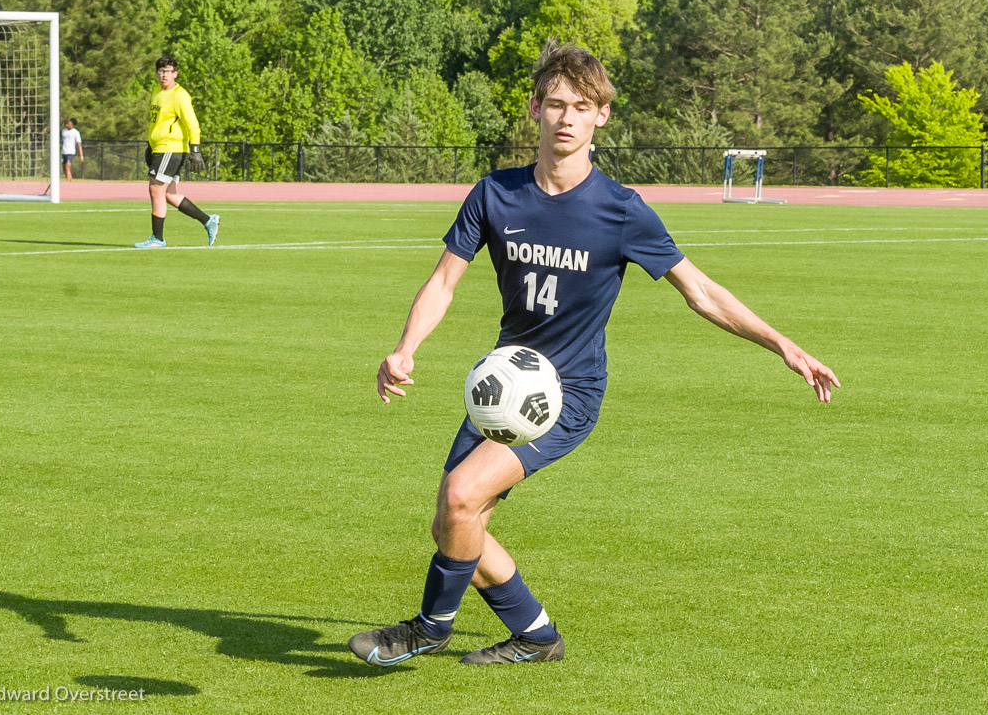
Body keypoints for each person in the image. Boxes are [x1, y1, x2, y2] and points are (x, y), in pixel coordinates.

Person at [348, 41, 840, 667]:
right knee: (456, 522)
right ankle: (536, 636)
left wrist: (783, 346)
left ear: (601, 116)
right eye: (555, 104)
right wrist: (405, 348)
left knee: (462, 496)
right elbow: (445, 280)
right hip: (504, 386)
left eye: (582, 106)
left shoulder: (621, 211)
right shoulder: (495, 194)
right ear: (535, 109)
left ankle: (427, 628)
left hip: (566, 395)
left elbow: (702, 292)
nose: (567, 117)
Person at [133, 56, 219, 249]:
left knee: (155, 189)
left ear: (175, 74)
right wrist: (150, 145)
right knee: (169, 194)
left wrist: (195, 150)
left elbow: (192, 124)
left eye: (169, 71)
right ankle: (208, 220)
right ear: (157, 73)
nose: (165, 74)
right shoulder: (157, 92)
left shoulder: (180, 95)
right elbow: (158, 123)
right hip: (159, 148)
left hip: (170, 148)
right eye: (162, 71)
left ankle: (157, 239)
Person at [60, 118, 84, 182]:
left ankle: (68, 182)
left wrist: (81, 155)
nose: (67, 124)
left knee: (67, 167)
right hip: (64, 151)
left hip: (70, 152)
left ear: (72, 125)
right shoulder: (63, 131)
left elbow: (79, 144)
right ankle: (70, 180)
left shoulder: (76, 132)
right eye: (67, 123)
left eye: (69, 123)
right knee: (64, 169)